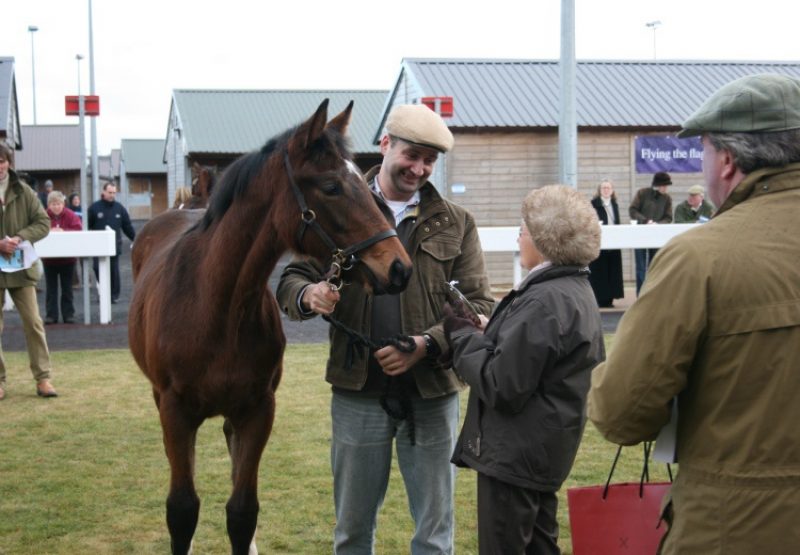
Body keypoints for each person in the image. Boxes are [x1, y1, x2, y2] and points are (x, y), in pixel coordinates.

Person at [587, 73, 800, 554]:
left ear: (726, 160)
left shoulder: (699, 257)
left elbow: (621, 413)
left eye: (703, 151)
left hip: (737, 527)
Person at [276, 104, 494, 555]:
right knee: (352, 533)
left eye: (429, 160)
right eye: (411, 154)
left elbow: (479, 306)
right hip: (358, 392)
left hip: (432, 394)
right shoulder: (341, 203)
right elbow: (290, 280)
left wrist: (425, 344)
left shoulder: (456, 221)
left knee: (435, 535)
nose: (419, 168)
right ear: (385, 145)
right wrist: (310, 293)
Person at [445, 185, 605, 554]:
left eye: (524, 228)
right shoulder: (571, 288)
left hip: (516, 454)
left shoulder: (546, 299)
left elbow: (502, 384)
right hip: (541, 452)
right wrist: (492, 332)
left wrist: (463, 336)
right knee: (539, 545)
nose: (519, 235)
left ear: (545, 240)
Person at [0, 143, 57, 400]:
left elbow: (43, 223)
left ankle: (43, 379)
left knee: (34, 323)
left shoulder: (24, 191)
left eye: (2, 160)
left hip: (22, 269)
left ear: (9, 162)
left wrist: (19, 237)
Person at [87, 182, 136, 304]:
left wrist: (136, 239)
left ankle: (113, 295)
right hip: (98, 247)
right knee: (98, 269)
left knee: (113, 271)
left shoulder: (119, 208)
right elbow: (87, 226)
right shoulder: (94, 208)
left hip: (114, 246)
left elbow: (127, 226)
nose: (112, 195)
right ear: (103, 192)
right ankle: (103, 293)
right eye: (110, 192)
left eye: (114, 193)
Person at [629, 171, 672, 294]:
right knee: (641, 267)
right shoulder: (642, 193)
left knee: (655, 266)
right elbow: (633, 210)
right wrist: (645, 221)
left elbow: (668, 217)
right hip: (640, 234)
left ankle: (652, 293)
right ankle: (640, 294)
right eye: (664, 185)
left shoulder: (667, 198)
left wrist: (658, 224)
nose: (666, 188)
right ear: (658, 185)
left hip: (656, 235)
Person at [44, 191, 83, 324]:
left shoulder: (71, 215)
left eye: (59, 204)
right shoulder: (43, 216)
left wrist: (63, 232)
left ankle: (68, 314)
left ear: (63, 204)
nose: (56, 207)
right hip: (49, 260)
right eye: (53, 204)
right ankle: (51, 315)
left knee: (67, 288)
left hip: (68, 259)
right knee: (51, 289)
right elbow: (36, 229)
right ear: (49, 205)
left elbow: (78, 230)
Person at [588, 179, 624, 307]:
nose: (606, 190)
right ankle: (599, 298)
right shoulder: (594, 204)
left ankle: (610, 299)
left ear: (612, 190)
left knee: (612, 271)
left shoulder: (614, 204)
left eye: (608, 188)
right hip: (600, 242)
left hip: (613, 242)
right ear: (599, 190)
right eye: (603, 188)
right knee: (600, 270)